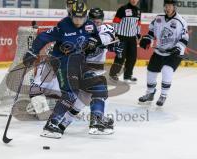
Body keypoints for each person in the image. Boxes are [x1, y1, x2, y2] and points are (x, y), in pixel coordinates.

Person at [23, 1, 112, 139]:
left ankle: (96, 121)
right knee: (71, 93)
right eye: (75, 17)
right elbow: (43, 37)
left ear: (86, 16)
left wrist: (94, 42)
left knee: (99, 84)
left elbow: (96, 38)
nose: (78, 21)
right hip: (62, 63)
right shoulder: (63, 25)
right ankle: (50, 125)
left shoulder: (90, 25)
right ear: (70, 15)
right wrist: (32, 52)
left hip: (79, 63)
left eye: (81, 17)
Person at [58, 7, 120, 135]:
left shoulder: (106, 28)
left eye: (99, 21)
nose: (96, 23)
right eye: (93, 20)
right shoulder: (80, 30)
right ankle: (96, 122)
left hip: (94, 69)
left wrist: (111, 46)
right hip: (81, 68)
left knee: (83, 100)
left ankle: (61, 124)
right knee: (100, 89)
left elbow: (106, 38)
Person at [138, 0, 189, 106]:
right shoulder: (158, 18)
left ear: (174, 7)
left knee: (167, 70)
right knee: (151, 72)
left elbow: (184, 38)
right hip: (159, 51)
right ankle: (150, 93)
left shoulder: (181, 21)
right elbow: (151, 32)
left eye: (170, 6)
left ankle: (163, 95)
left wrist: (177, 48)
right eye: (166, 6)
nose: (168, 8)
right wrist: (147, 39)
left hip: (174, 53)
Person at [109, 0, 141, 83]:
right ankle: (113, 75)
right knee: (120, 57)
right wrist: (115, 34)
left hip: (132, 38)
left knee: (132, 58)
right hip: (121, 37)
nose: (134, 0)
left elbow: (138, 23)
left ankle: (127, 76)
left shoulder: (138, 11)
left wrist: (138, 33)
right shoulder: (122, 9)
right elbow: (116, 22)